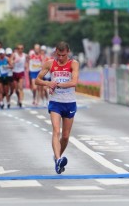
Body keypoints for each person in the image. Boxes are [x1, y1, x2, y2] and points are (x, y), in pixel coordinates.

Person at [35, 41, 79, 174]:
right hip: (55, 102)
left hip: (69, 102)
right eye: (58, 55)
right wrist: (48, 83)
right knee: (56, 131)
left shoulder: (73, 64)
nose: (60, 58)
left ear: (68, 52)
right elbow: (37, 80)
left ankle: (56, 158)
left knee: (65, 137)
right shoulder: (49, 63)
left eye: (63, 55)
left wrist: (57, 85)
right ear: (55, 52)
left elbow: (74, 82)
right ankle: (59, 158)